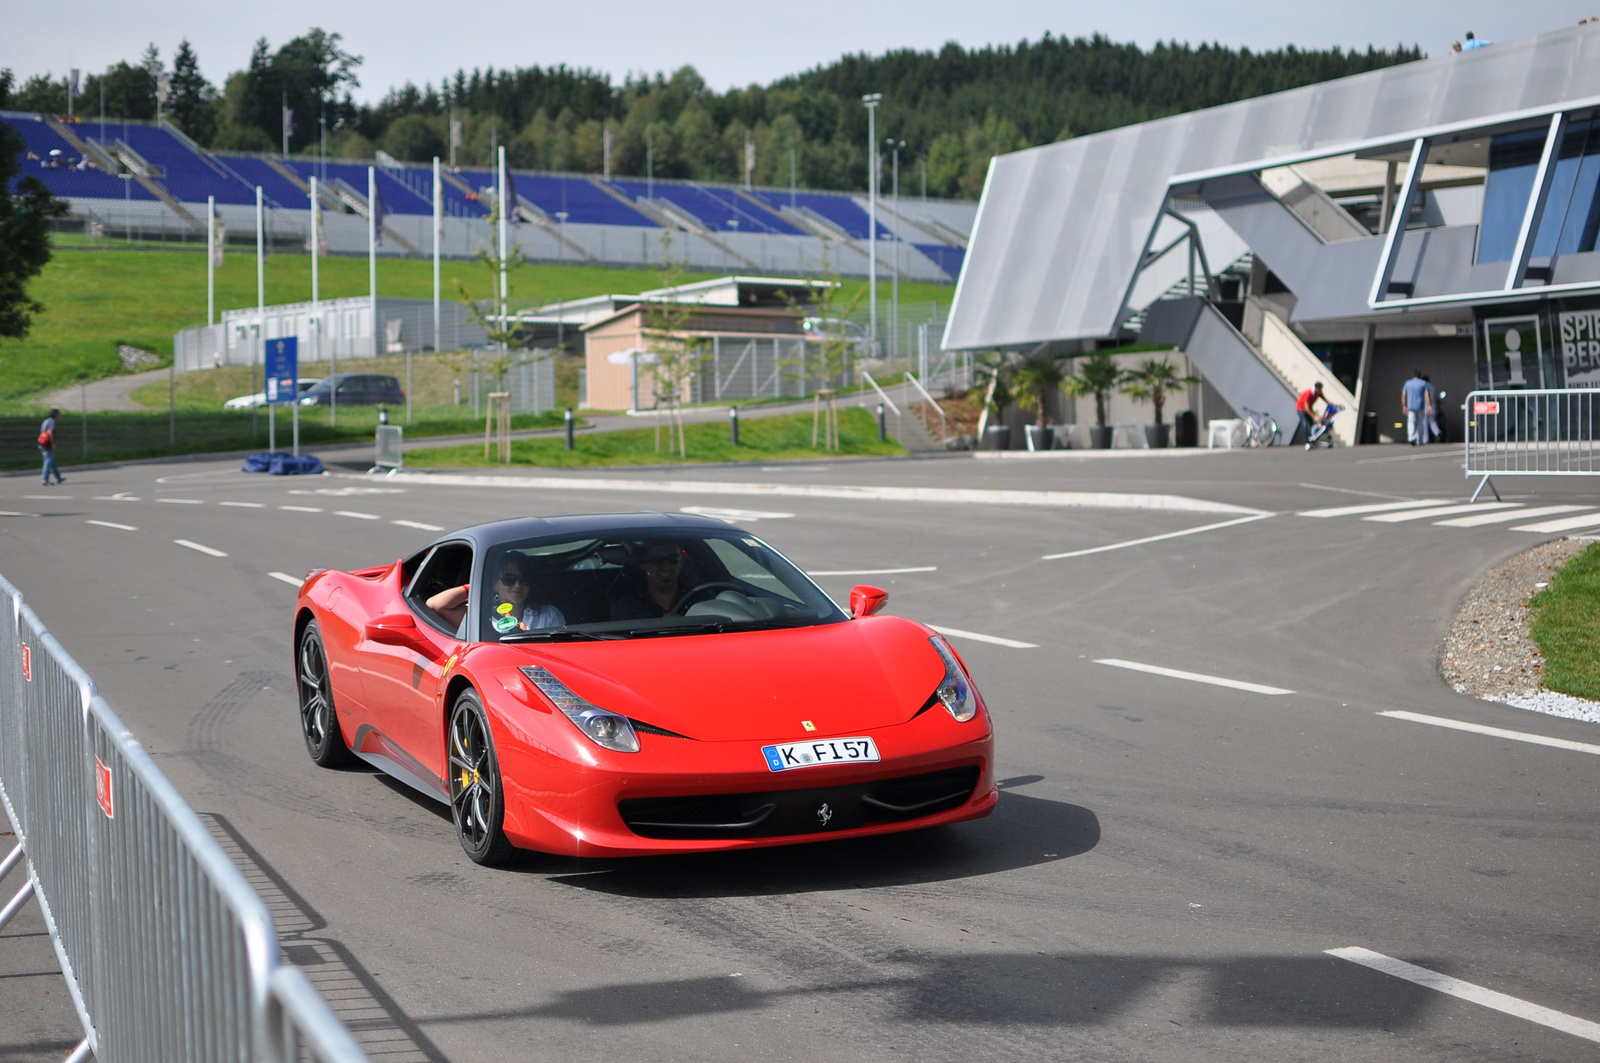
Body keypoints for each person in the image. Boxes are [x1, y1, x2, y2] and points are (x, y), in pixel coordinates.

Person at [426, 556, 564, 638]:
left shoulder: (549, 614)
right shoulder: (480, 616)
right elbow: (435, 605)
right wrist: (477, 586)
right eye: (509, 579)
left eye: (524, 579)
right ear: (495, 584)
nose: (517, 585)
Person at [610, 542, 691, 620]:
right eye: (657, 559)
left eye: (673, 558)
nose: (666, 567)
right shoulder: (626, 607)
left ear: (681, 561)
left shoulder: (696, 598)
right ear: (642, 563)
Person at [1402, 370, 1432, 446]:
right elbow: (1427, 394)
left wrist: (1404, 405)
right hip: (1420, 405)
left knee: (1411, 422)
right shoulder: (1423, 383)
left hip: (1411, 405)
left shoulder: (1408, 383)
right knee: (1420, 422)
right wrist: (1429, 405)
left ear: (1413, 375)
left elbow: (1404, 395)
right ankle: (1420, 439)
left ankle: (1411, 437)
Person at [37, 408, 64, 485]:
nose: (60, 415)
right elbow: (49, 432)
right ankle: (45, 479)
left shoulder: (46, 421)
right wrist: (53, 444)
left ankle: (58, 478)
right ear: (55, 415)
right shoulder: (52, 422)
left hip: (42, 443)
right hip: (47, 444)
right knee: (48, 461)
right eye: (59, 414)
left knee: (52, 462)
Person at [1423, 374, 1443, 442]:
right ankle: (1438, 433)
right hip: (1433, 408)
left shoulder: (1422, 387)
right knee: (1433, 422)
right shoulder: (1433, 387)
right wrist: (1438, 407)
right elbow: (1437, 399)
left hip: (1424, 408)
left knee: (1424, 424)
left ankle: (1425, 439)